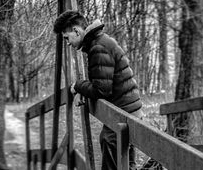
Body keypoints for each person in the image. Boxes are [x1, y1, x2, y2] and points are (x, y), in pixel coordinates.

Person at [53, 10, 143, 170]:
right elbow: (102, 81)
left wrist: (77, 86)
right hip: (129, 111)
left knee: (109, 143)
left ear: (76, 31)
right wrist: (83, 90)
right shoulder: (99, 43)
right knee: (124, 162)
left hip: (125, 114)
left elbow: (101, 90)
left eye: (67, 38)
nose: (67, 43)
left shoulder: (98, 47)